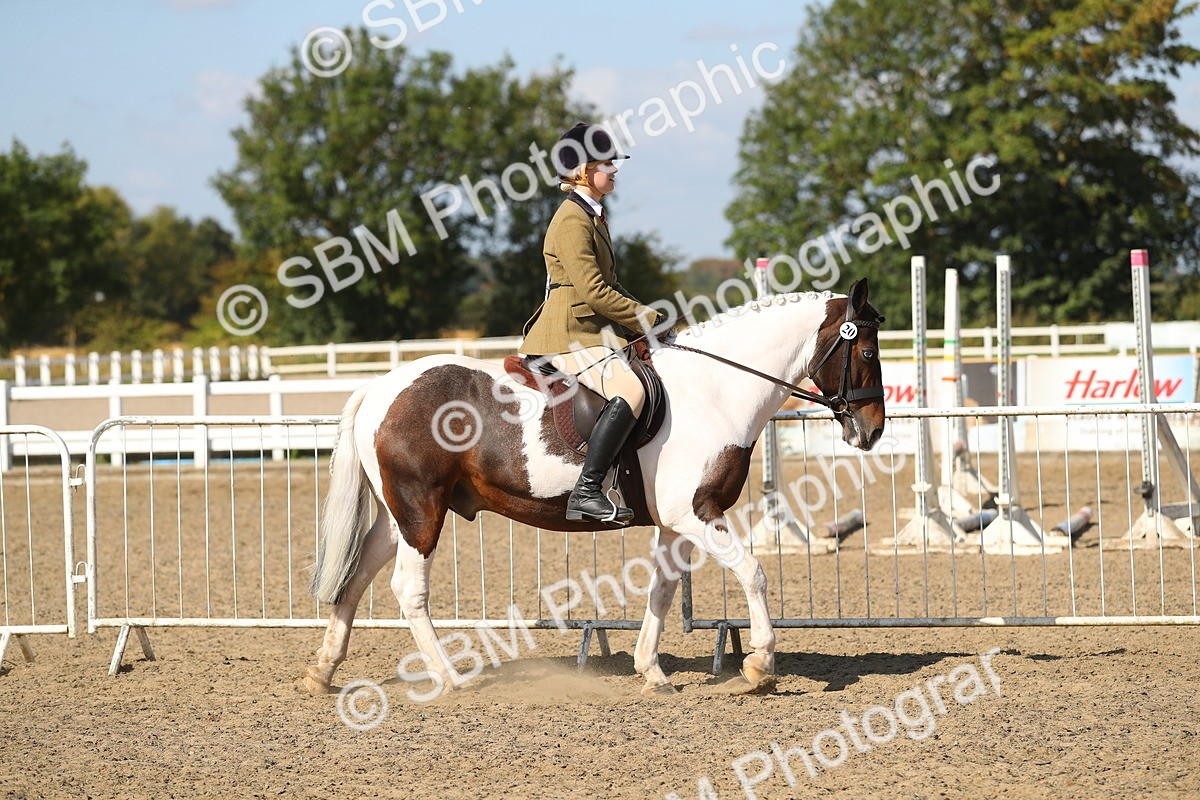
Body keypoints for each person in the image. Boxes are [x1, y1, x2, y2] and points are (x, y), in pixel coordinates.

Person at [520, 122, 663, 525]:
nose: (615, 170)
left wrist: (647, 320)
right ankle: (587, 490)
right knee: (631, 390)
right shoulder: (572, 219)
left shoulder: (592, 214)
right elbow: (595, 291)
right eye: (606, 164)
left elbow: (611, 284)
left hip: (589, 330)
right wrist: (649, 319)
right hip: (568, 334)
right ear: (583, 171)